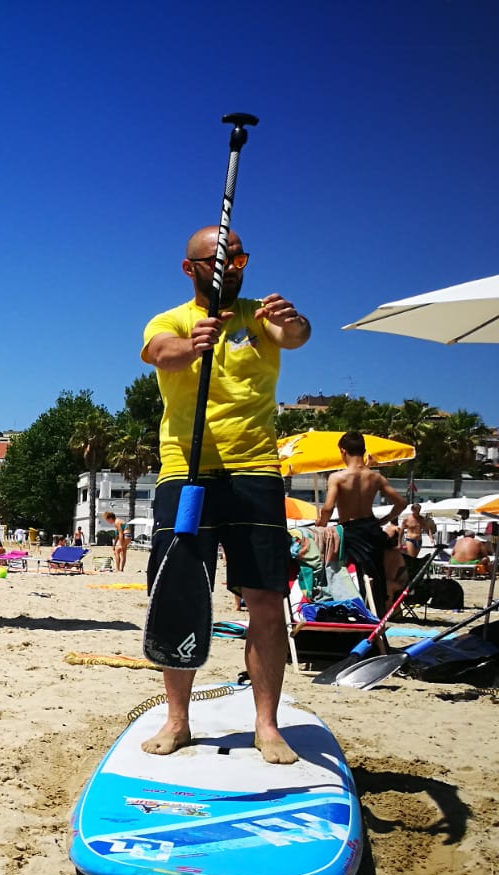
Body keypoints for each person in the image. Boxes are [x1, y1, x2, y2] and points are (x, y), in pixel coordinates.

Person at [140, 226, 311, 764]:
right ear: (190, 268)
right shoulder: (172, 319)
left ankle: (266, 725)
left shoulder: (260, 315)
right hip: (185, 469)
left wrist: (293, 323)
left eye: (238, 260)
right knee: (179, 592)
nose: (230, 269)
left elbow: (295, 336)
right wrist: (192, 346)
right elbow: (158, 352)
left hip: (255, 469)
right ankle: (177, 719)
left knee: (265, 599)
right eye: (218, 261)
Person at [315, 430, 405, 615]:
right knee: (375, 575)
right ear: (363, 451)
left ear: (343, 451)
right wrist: (383, 520)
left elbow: (328, 507)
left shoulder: (338, 477)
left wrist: (321, 525)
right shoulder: (375, 477)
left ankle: (354, 611)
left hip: (351, 529)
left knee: (345, 571)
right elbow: (401, 503)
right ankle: (377, 613)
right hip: (371, 528)